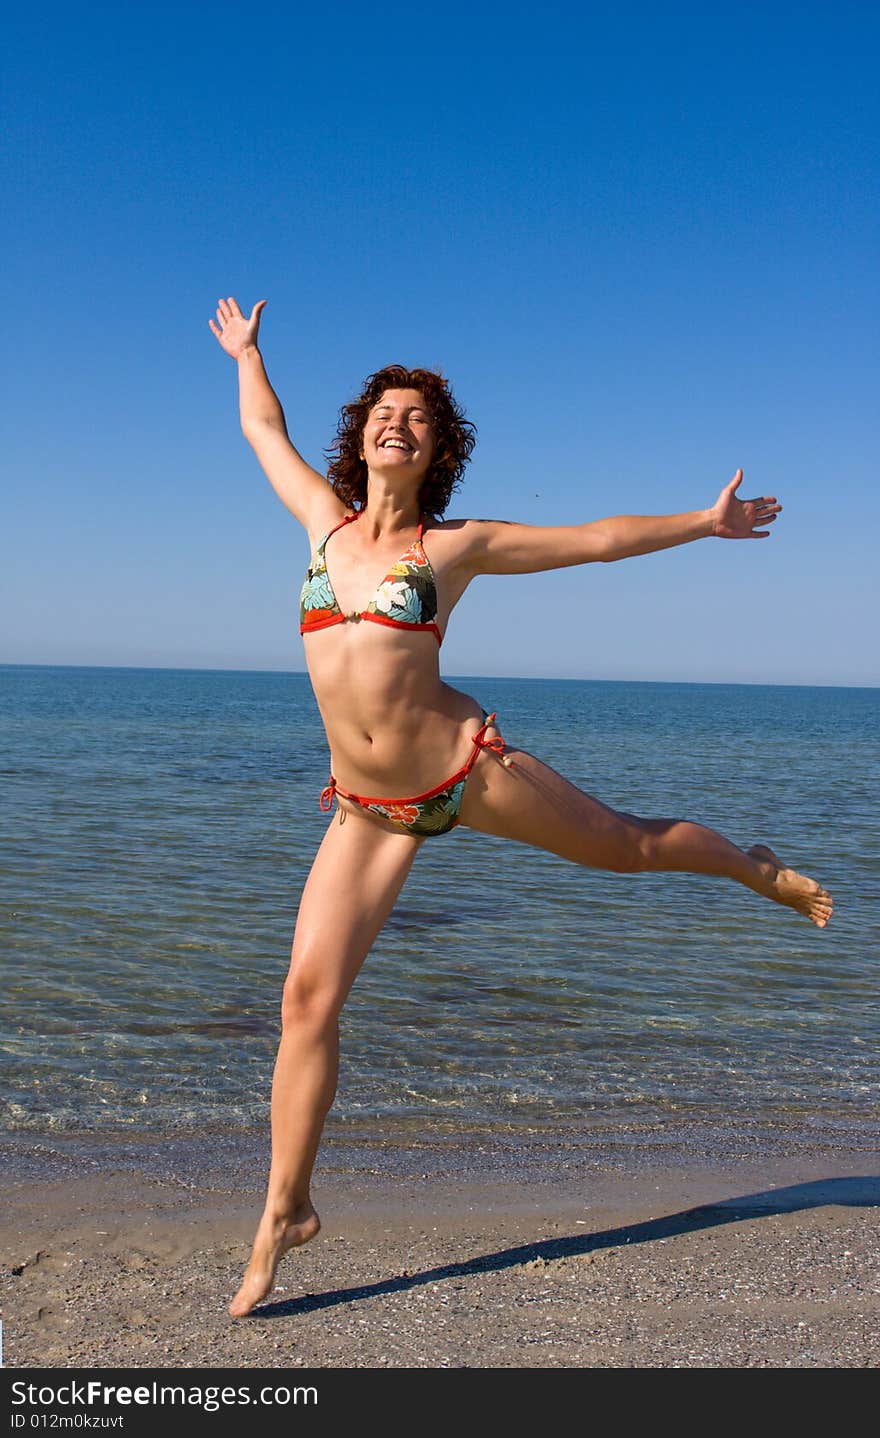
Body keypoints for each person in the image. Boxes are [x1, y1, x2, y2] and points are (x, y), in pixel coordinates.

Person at [208, 295, 833, 1317]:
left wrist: (702, 523)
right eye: (381, 411)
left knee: (629, 847)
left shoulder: (456, 549)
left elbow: (592, 540)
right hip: (367, 807)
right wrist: (248, 353)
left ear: (435, 447)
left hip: (463, 767)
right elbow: (259, 429)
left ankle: (746, 864)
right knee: (304, 1003)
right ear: (359, 434)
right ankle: (286, 1209)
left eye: (414, 416)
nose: (394, 423)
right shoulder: (321, 526)